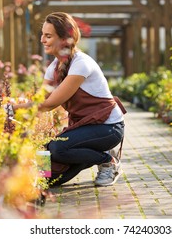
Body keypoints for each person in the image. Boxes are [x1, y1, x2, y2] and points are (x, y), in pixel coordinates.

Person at [13, 12, 126, 187]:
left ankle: (108, 160)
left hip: (108, 128)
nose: (42, 40)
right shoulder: (54, 67)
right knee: (50, 178)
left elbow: (49, 104)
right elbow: (39, 99)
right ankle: (90, 150)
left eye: (48, 36)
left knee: (59, 149)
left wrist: (13, 109)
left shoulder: (81, 64)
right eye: (42, 35)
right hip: (84, 128)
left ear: (65, 39)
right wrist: (16, 104)